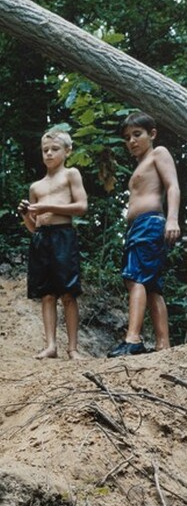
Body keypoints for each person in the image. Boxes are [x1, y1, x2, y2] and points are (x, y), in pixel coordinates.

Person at [107, 112, 181, 357]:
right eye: (127, 138)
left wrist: (172, 218)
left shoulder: (158, 154)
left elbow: (172, 186)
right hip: (139, 226)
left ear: (152, 134)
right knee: (151, 286)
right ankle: (163, 345)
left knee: (135, 278)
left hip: (150, 223)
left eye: (137, 134)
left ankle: (133, 338)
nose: (131, 141)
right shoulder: (141, 164)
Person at [17, 128, 88, 360]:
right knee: (47, 294)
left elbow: (81, 207)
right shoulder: (36, 187)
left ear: (67, 151)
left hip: (63, 236)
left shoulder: (71, 175)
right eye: (45, 150)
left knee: (68, 292)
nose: (49, 154)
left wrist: (49, 208)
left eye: (54, 149)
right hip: (41, 238)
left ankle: (73, 348)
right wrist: (26, 215)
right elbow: (33, 226)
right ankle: (50, 346)